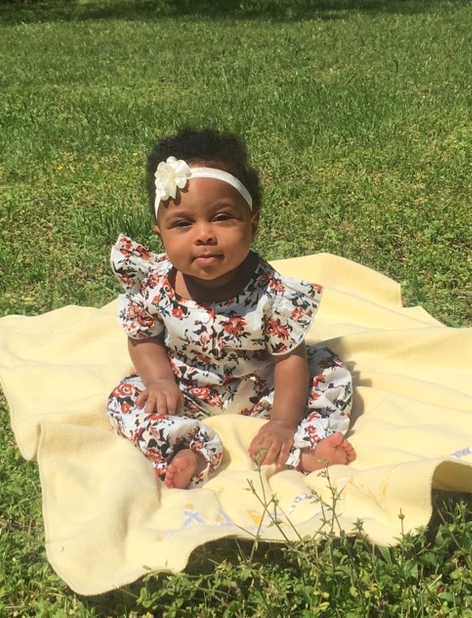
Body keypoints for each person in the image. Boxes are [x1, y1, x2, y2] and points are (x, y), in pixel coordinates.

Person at [106, 127, 355, 489]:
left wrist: (283, 421)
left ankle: (301, 447)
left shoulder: (272, 293)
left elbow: (289, 359)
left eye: (222, 218)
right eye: (183, 223)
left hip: (264, 389)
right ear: (160, 233)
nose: (204, 234)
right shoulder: (153, 283)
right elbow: (143, 336)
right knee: (124, 400)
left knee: (329, 373)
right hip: (185, 390)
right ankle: (190, 448)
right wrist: (160, 382)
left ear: (252, 225)